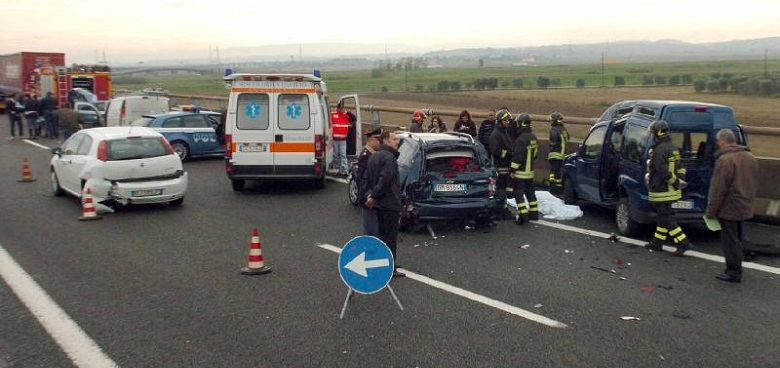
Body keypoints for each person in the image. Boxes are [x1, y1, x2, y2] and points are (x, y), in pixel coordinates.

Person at [706, 129, 758, 283]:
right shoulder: (750, 157)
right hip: (745, 204)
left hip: (729, 207)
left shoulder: (725, 160)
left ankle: (733, 271)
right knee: (739, 238)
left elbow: (718, 190)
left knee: (730, 241)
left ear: (722, 142)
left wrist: (710, 211)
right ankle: (740, 263)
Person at [645, 120, 693, 256]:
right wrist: (680, 180)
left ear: (658, 133)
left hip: (662, 190)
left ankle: (683, 243)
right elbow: (681, 166)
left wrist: (675, 181)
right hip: (672, 191)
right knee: (662, 217)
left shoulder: (659, 149)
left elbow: (661, 170)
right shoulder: (673, 147)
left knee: (666, 218)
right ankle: (657, 242)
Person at [365, 131, 404, 278]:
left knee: (382, 235)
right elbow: (385, 179)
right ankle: (390, 267)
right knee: (390, 236)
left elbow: (369, 180)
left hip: (379, 204)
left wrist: (370, 196)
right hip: (390, 203)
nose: (397, 142)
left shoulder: (374, 156)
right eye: (394, 139)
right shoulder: (389, 158)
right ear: (386, 140)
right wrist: (374, 195)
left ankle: (382, 262)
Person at [510, 113, 539, 225]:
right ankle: (534, 214)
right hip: (530, 173)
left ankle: (523, 216)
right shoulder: (533, 137)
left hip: (520, 173)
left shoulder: (521, 139)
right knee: (530, 193)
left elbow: (518, 157)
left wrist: (512, 170)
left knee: (519, 195)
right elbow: (535, 155)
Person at [489, 109, 515, 217]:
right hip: (500, 166)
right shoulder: (496, 134)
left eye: (508, 120)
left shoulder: (504, 132)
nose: (507, 122)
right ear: (499, 121)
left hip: (506, 166)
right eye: (505, 120)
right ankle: (500, 211)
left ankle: (503, 208)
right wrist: (508, 153)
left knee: (504, 189)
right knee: (500, 189)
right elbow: (495, 151)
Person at [357, 127, 383, 236]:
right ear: (371, 140)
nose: (380, 143)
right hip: (368, 198)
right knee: (371, 230)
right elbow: (362, 179)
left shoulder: (373, 154)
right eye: (378, 140)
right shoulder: (366, 156)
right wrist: (367, 196)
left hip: (372, 196)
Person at [547, 111, 569, 192]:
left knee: (553, 171)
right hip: (563, 155)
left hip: (555, 154)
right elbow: (568, 137)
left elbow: (553, 141)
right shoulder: (564, 129)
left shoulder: (554, 130)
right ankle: (559, 187)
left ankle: (552, 186)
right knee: (558, 172)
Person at [329, 102, 350, 176]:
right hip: (335, 139)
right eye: (340, 108)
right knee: (335, 155)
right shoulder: (332, 114)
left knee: (343, 155)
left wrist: (347, 112)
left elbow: (354, 118)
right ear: (337, 108)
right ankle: (337, 170)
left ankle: (345, 171)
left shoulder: (346, 116)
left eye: (342, 108)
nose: (341, 110)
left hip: (343, 140)